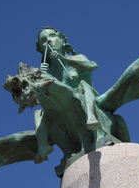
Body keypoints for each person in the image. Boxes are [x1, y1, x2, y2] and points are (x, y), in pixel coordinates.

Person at [33, 27, 100, 163]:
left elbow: (92, 66)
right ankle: (43, 146)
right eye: (43, 41)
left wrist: (65, 60)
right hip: (63, 107)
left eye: (52, 36)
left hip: (86, 98)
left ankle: (91, 117)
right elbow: (41, 99)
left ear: (62, 41)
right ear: (41, 48)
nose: (48, 42)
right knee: (38, 113)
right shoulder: (47, 73)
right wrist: (40, 78)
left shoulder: (76, 58)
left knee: (83, 86)